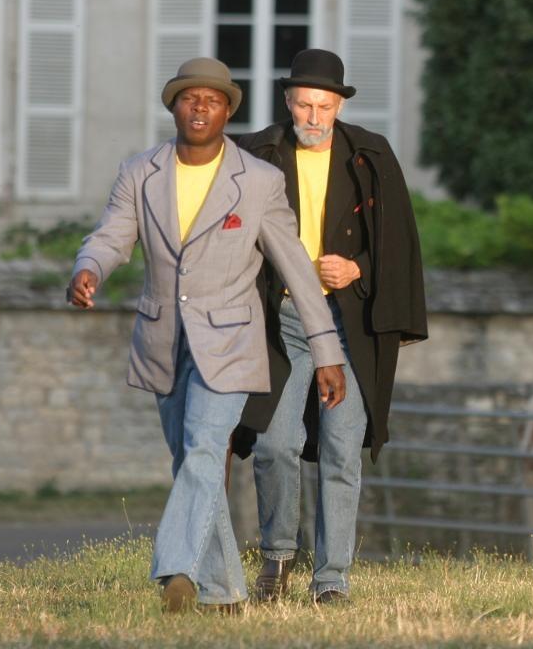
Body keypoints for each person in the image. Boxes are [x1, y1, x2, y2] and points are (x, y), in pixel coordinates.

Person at [67, 58, 348, 612]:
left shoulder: (259, 180)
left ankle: (178, 569)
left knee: (204, 451)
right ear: (173, 105)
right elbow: (112, 236)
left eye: (213, 100)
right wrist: (89, 269)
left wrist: (327, 352)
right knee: (189, 463)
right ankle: (223, 593)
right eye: (189, 98)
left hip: (233, 343)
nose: (200, 107)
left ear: (227, 111)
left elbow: (295, 267)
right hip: (163, 341)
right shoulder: (139, 172)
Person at [229, 48, 427, 604]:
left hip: (348, 323)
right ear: (289, 102)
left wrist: (357, 266)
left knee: (342, 451)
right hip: (282, 319)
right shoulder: (256, 154)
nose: (315, 117)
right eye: (305, 104)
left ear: (339, 105)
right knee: (274, 444)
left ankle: (331, 579)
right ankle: (276, 559)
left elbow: (399, 242)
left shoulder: (370, 155)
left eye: (325, 106)